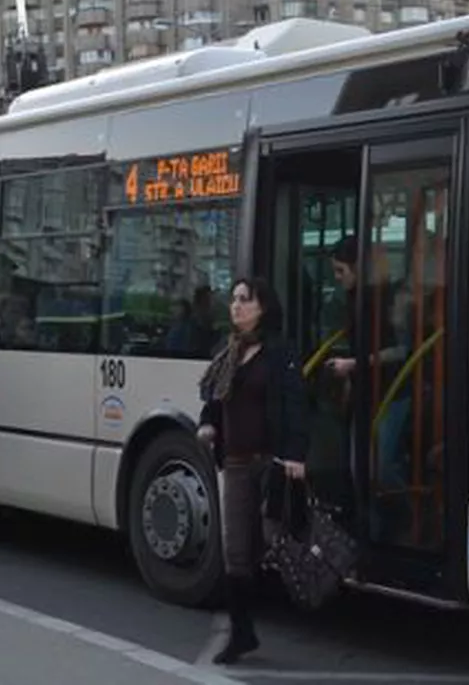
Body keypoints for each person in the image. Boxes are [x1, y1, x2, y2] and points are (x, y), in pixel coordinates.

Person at [197, 278, 307, 666]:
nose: (237, 306)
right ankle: (241, 634)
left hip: (270, 463)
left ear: (264, 307)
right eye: (234, 299)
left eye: (246, 300)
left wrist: (295, 456)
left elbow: (295, 405)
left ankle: (306, 600)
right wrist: (208, 424)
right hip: (236, 463)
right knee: (235, 551)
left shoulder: (279, 353)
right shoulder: (227, 352)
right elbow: (213, 400)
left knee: (273, 540)